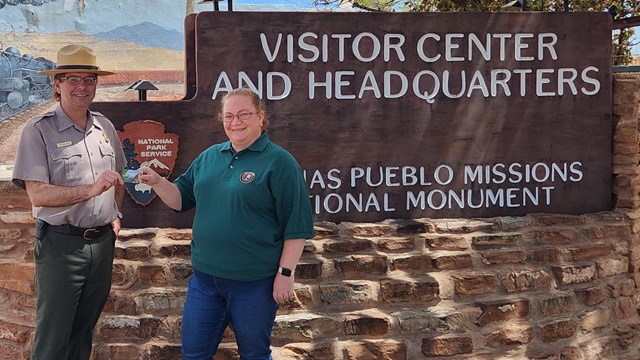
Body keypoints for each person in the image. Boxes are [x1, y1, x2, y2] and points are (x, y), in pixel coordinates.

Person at [139, 87, 314, 359]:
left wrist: (286, 274)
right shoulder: (209, 157)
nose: (236, 122)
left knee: (254, 354)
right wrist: (158, 182)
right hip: (205, 281)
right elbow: (180, 199)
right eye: (229, 116)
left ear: (260, 116)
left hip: (254, 283)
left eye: (244, 114)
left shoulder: (280, 163)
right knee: (194, 354)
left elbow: (296, 226)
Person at [12, 44, 126, 360]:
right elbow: (38, 194)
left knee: (82, 336)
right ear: (57, 84)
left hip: (102, 245)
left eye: (89, 79)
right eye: (73, 79)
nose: (82, 86)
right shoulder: (39, 131)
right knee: (52, 340)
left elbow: (119, 174)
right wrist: (89, 191)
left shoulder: (104, 126)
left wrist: (116, 214)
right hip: (61, 247)